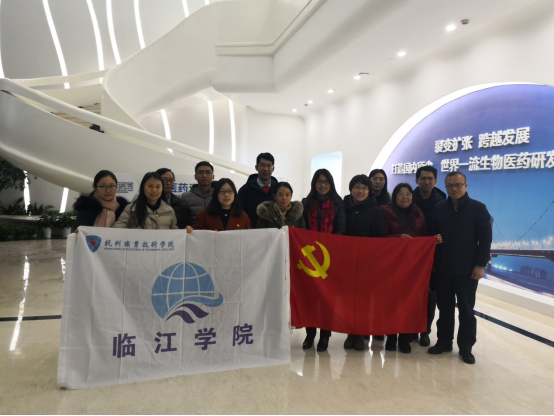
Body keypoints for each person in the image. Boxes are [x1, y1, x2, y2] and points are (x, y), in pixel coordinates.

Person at [429, 172, 492, 365]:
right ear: (445, 187)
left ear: (466, 186)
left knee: (466, 311)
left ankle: (466, 347)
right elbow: (431, 233)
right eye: (450, 186)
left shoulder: (478, 208)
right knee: (444, 309)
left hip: (467, 271)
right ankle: (444, 342)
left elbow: (485, 239)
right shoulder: (439, 208)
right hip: (443, 269)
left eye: (458, 185)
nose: (454, 188)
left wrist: (480, 265)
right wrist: (434, 238)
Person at [381, 183, 436, 354]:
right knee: (391, 301)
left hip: (413, 265)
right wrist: (398, 238)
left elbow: (425, 237)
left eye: (408, 194)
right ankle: (391, 335)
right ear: (394, 196)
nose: (405, 197)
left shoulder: (419, 214)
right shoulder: (385, 212)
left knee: (409, 301)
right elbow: (380, 237)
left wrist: (433, 240)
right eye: (400, 194)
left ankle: (404, 337)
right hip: (391, 264)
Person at [301, 169, 346, 353]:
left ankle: (325, 335)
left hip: (331, 257)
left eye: (326, 182)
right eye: (319, 181)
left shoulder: (338, 203)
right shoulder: (306, 203)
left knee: (328, 299)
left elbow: (341, 229)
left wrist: (329, 246)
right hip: (310, 256)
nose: (323, 185)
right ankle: (310, 334)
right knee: (310, 297)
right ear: (314, 183)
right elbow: (302, 228)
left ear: (331, 184)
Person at [342, 175, 386, 352]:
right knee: (348, 299)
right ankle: (350, 332)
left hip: (367, 262)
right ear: (351, 189)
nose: (360, 191)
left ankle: (360, 333)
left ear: (369, 191)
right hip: (346, 261)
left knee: (362, 300)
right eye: (357, 187)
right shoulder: (343, 207)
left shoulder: (375, 211)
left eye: (364, 188)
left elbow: (380, 237)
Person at [413, 166, 447, 347]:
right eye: (423, 178)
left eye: (430, 179)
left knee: (430, 295)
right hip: (410, 254)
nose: (426, 182)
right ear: (417, 180)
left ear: (435, 181)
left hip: (434, 254)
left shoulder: (443, 202)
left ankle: (425, 331)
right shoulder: (408, 198)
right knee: (410, 293)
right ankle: (409, 329)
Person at [114, 172, 179, 230]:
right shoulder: (131, 209)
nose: (154, 190)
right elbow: (117, 230)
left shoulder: (169, 210)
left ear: (162, 188)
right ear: (143, 187)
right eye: (150, 186)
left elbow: (175, 234)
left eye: (158, 187)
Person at [238, 153, 279, 228]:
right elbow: (240, 215)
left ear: (273, 168)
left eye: (269, 165)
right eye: (262, 165)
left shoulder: (279, 190)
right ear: (256, 167)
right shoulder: (244, 190)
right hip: (252, 232)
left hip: (275, 233)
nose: (265, 169)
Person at [181, 161, 216, 226]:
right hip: (193, 231)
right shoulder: (185, 197)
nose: (204, 175)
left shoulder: (218, 195)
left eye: (208, 172)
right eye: (200, 172)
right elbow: (183, 222)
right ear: (195, 176)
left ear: (213, 176)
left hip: (215, 231)